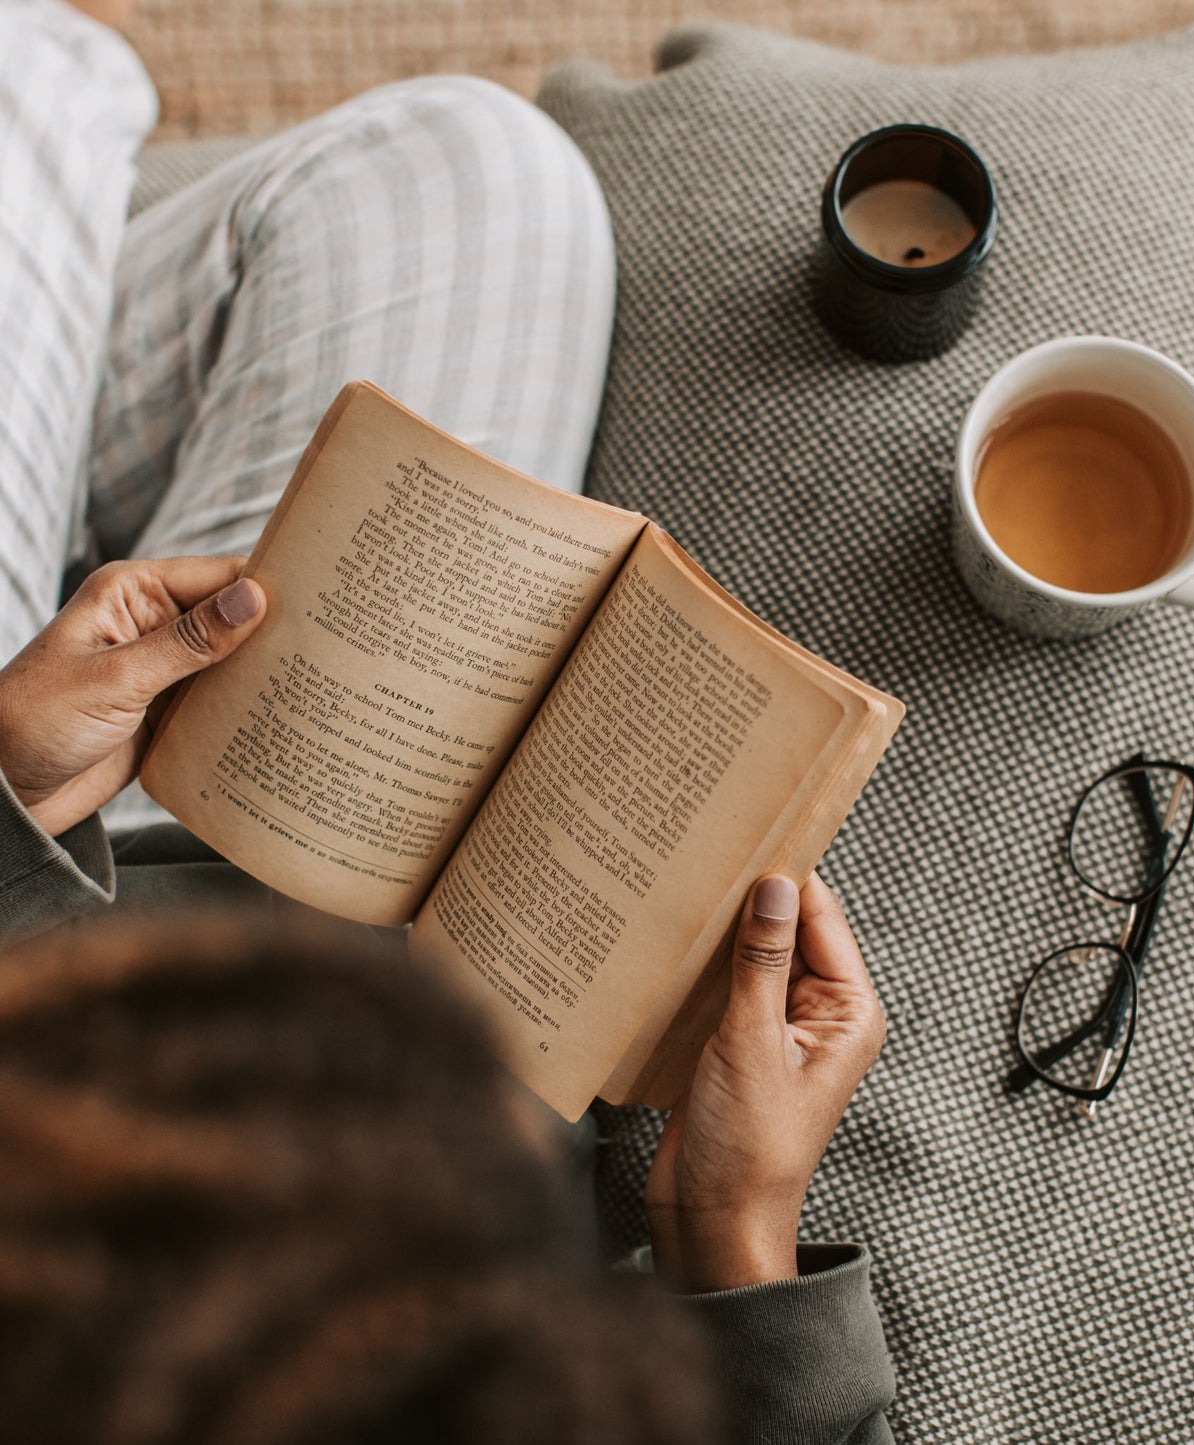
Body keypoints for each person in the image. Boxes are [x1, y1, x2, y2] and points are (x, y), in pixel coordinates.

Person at [0, 1, 897, 1439]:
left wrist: (9, 800)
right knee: (470, 171)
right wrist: (732, 1234)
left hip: (65, 965)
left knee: (27, 94)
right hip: (449, 1037)